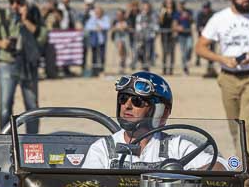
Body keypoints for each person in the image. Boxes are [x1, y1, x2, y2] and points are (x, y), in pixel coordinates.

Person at [194, 0, 249, 187]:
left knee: (247, 126)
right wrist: (221, 59)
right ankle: (246, 166)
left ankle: (246, 172)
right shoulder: (219, 19)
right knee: (235, 128)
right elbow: (200, 47)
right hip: (228, 77)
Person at [82, 71, 224, 169]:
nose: (127, 106)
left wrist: (185, 179)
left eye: (137, 101)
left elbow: (225, 165)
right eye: (123, 99)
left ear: (160, 112)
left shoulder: (175, 147)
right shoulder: (102, 149)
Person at [0, 0, 46, 133]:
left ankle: (32, 140)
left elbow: (42, 36)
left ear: (23, 2)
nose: (15, 6)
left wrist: (25, 20)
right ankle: (4, 138)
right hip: (7, 62)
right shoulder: (2, 16)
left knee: (32, 105)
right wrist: (3, 43)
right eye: (12, 2)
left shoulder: (33, 14)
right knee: (5, 105)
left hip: (28, 65)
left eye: (18, 2)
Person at [84, 6, 110, 76]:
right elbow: (87, 27)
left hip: (102, 40)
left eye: (98, 12)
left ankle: (101, 70)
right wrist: (95, 28)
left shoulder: (105, 18)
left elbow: (107, 26)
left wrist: (101, 27)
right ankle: (94, 71)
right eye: (96, 12)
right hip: (94, 41)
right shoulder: (92, 19)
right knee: (94, 55)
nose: (97, 14)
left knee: (102, 56)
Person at [196, 1, 217, 77]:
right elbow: (198, 26)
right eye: (204, 7)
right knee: (200, 49)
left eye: (207, 7)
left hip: (212, 37)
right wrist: (201, 29)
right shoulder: (200, 14)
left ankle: (210, 67)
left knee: (211, 51)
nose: (205, 9)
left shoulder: (213, 14)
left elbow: (215, 25)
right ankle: (197, 60)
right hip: (202, 37)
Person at [135, 1, 158, 70]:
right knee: (140, 52)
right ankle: (144, 65)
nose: (146, 9)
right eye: (145, 8)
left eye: (147, 7)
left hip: (150, 37)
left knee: (149, 52)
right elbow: (138, 26)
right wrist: (140, 34)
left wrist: (154, 33)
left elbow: (156, 26)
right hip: (141, 37)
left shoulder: (153, 16)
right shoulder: (140, 16)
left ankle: (147, 66)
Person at [173, 0, 194, 74]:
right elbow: (174, 25)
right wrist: (178, 28)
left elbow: (192, 21)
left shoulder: (189, 11)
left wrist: (188, 16)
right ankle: (185, 68)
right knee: (183, 52)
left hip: (188, 34)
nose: (181, 5)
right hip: (181, 35)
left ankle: (187, 59)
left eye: (182, 4)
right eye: (180, 4)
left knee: (190, 47)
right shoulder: (176, 14)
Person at [158, 0, 177, 75]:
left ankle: (171, 69)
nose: (169, 4)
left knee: (172, 52)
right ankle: (164, 69)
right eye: (167, 2)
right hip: (164, 34)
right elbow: (160, 22)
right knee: (165, 52)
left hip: (172, 34)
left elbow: (175, 22)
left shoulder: (175, 12)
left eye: (170, 2)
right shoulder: (163, 11)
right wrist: (163, 13)